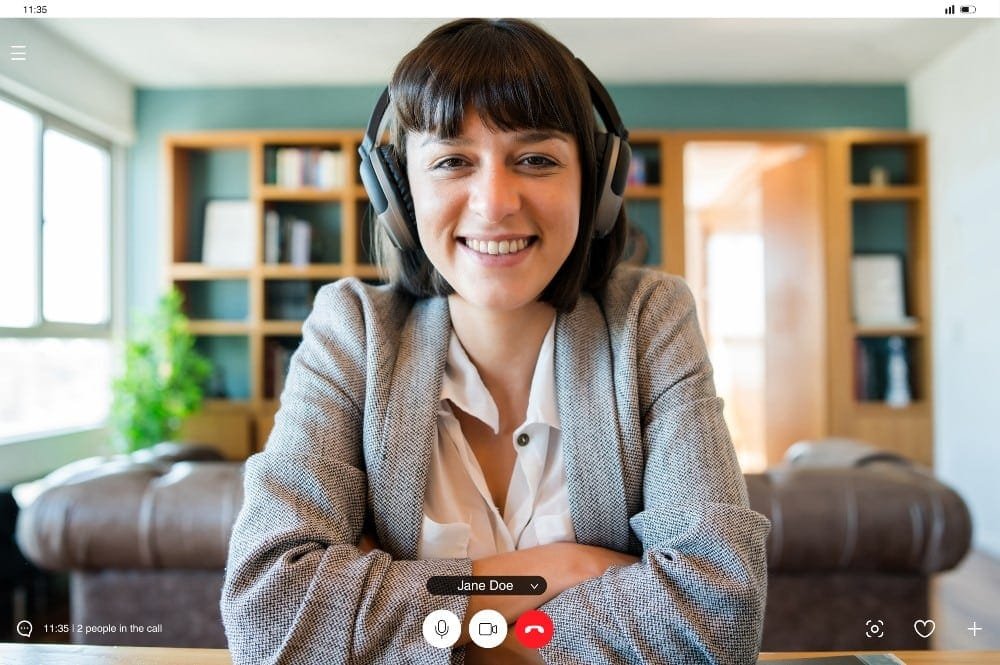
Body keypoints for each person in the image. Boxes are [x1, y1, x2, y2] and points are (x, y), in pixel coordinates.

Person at [222, 18, 770, 665]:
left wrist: (421, 621)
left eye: (535, 159)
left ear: (595, 185)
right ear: (399, 195)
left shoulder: (652, 320)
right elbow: (270, 612)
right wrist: (557, 569)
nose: (495, 202)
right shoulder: (351, 329)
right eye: (453, 161)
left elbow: (718, 618)